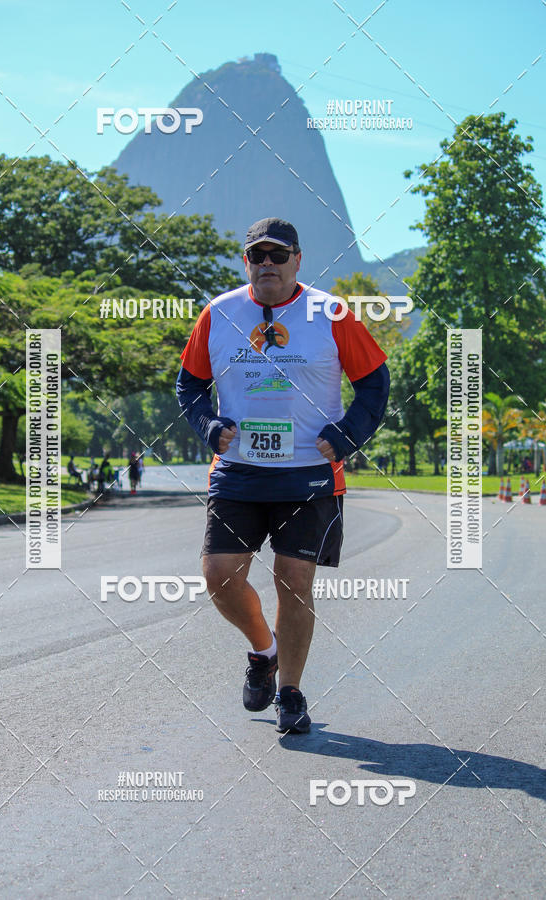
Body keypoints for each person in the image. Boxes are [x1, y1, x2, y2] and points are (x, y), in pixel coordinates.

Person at [176, 217, 390, 733]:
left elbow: (375, 386)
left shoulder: (332, 313)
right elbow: (189, 387)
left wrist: (346, 435)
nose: (267, 264)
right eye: (257, 256)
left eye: (278, 254)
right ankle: (263, 653)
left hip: (309, 473)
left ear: (298, 259)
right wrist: (208, 425)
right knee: (219, 576)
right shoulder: (218, 314)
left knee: (293, 582)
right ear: (245, 262)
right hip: (240, 472)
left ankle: (290, 693)